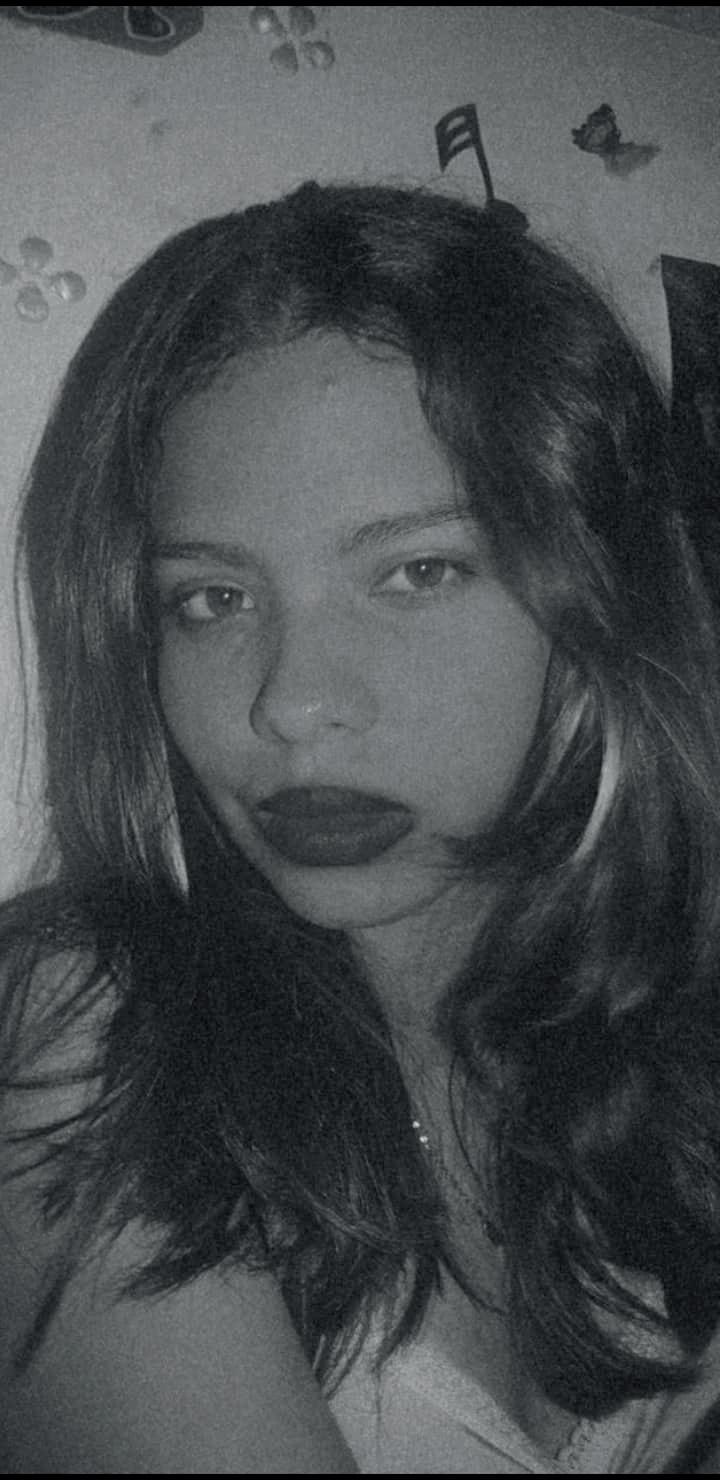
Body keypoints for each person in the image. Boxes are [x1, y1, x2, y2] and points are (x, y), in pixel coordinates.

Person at [1, 178, 720, 1474]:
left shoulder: (664, 1028)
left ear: (595, 602)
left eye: (416, 572)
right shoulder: (87, 1036)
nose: (292, 701)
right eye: (212, 598)